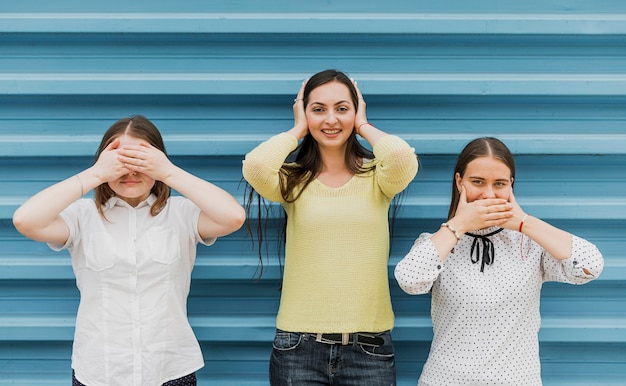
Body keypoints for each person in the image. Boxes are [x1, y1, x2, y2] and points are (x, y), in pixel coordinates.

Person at [12, 115, 246, 386]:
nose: (131, 171)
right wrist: (96, 173)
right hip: (99, 371)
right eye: (121, 160)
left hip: (169, 368)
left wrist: (167, 171)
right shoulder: (81, 217)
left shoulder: (182, 214)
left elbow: (233, 217)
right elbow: (24, 220)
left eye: (140, 159)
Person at [242, 69, 419, 385]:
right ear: (304, 112)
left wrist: (363, 125)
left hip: (370, 348)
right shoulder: (291, 180)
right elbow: (255, 167)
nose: (331, 120)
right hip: (298, 346)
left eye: (342, 108)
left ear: (356, 110)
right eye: (318, 109)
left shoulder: (378, 177)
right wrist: (298, 128)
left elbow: (403, 157)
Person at [394, 137, 604, 386]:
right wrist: (459, 224)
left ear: (511, 186)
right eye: (477, 182)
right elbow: (409, 280)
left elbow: (590, 266)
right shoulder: (439, 243)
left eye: (500, 184)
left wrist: (524, 222)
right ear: (459, 182)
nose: (489, 194)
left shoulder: (530, 243)